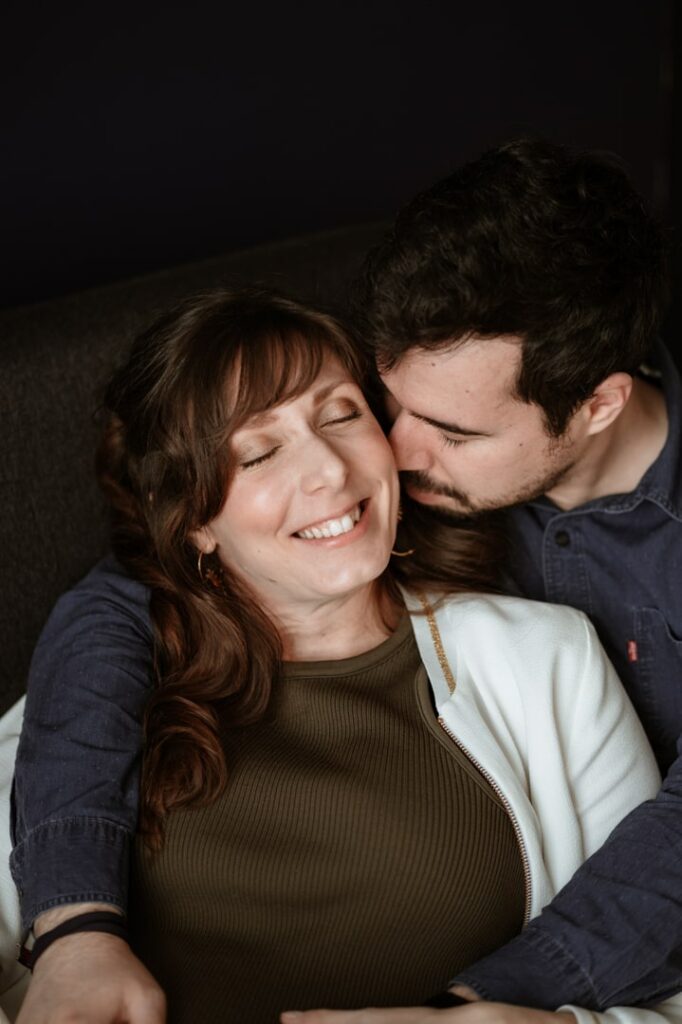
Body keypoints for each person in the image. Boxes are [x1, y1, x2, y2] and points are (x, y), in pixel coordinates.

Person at [10, 289, 678, 1024]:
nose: (328, 469)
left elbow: (661, 995)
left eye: (341, 414)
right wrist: (73, 939)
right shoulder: (103, 681)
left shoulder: (550, 659)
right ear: (193, 520)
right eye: (259, 451)